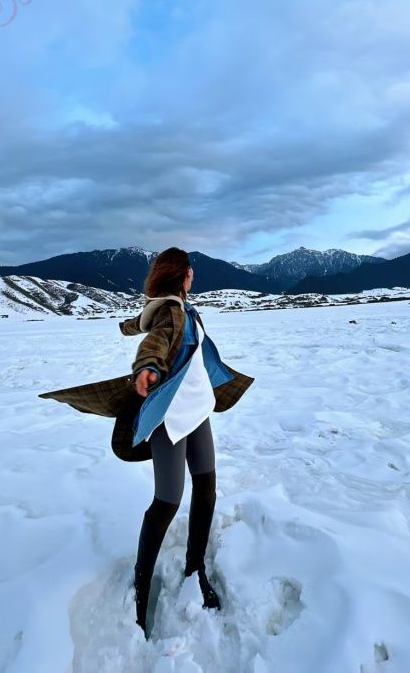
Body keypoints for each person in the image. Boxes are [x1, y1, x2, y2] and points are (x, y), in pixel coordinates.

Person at [125, 247, 245, 639]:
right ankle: (140, 589)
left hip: (197, 410)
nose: (194, 274)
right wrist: (147, 367)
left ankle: (195, 569)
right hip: (171, 417)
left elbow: (156, 329)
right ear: (183, 274)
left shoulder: (185, 309)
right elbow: (156, 341)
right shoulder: (171, 312)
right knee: (168, 501)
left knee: (206, 486)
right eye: (191, 270)